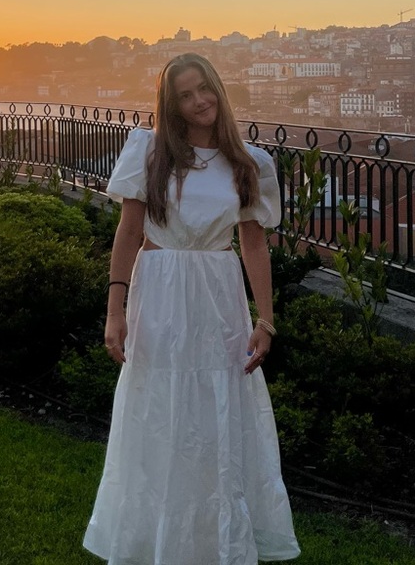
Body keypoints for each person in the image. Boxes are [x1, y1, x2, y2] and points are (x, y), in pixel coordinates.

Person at [83, 53, 300, 565]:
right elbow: (130, 233)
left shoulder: (249, 162)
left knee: (217, 414)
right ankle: (155, 544)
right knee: (161, 414)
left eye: (204, 88)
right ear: (172, 104)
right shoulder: (151, 152)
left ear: (218, 88)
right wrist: (115, 311)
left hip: (219, 298)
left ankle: (214, 544)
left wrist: (265, 320)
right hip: (158, 294)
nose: (199, 100)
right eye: (185, 94)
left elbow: (253, 244)